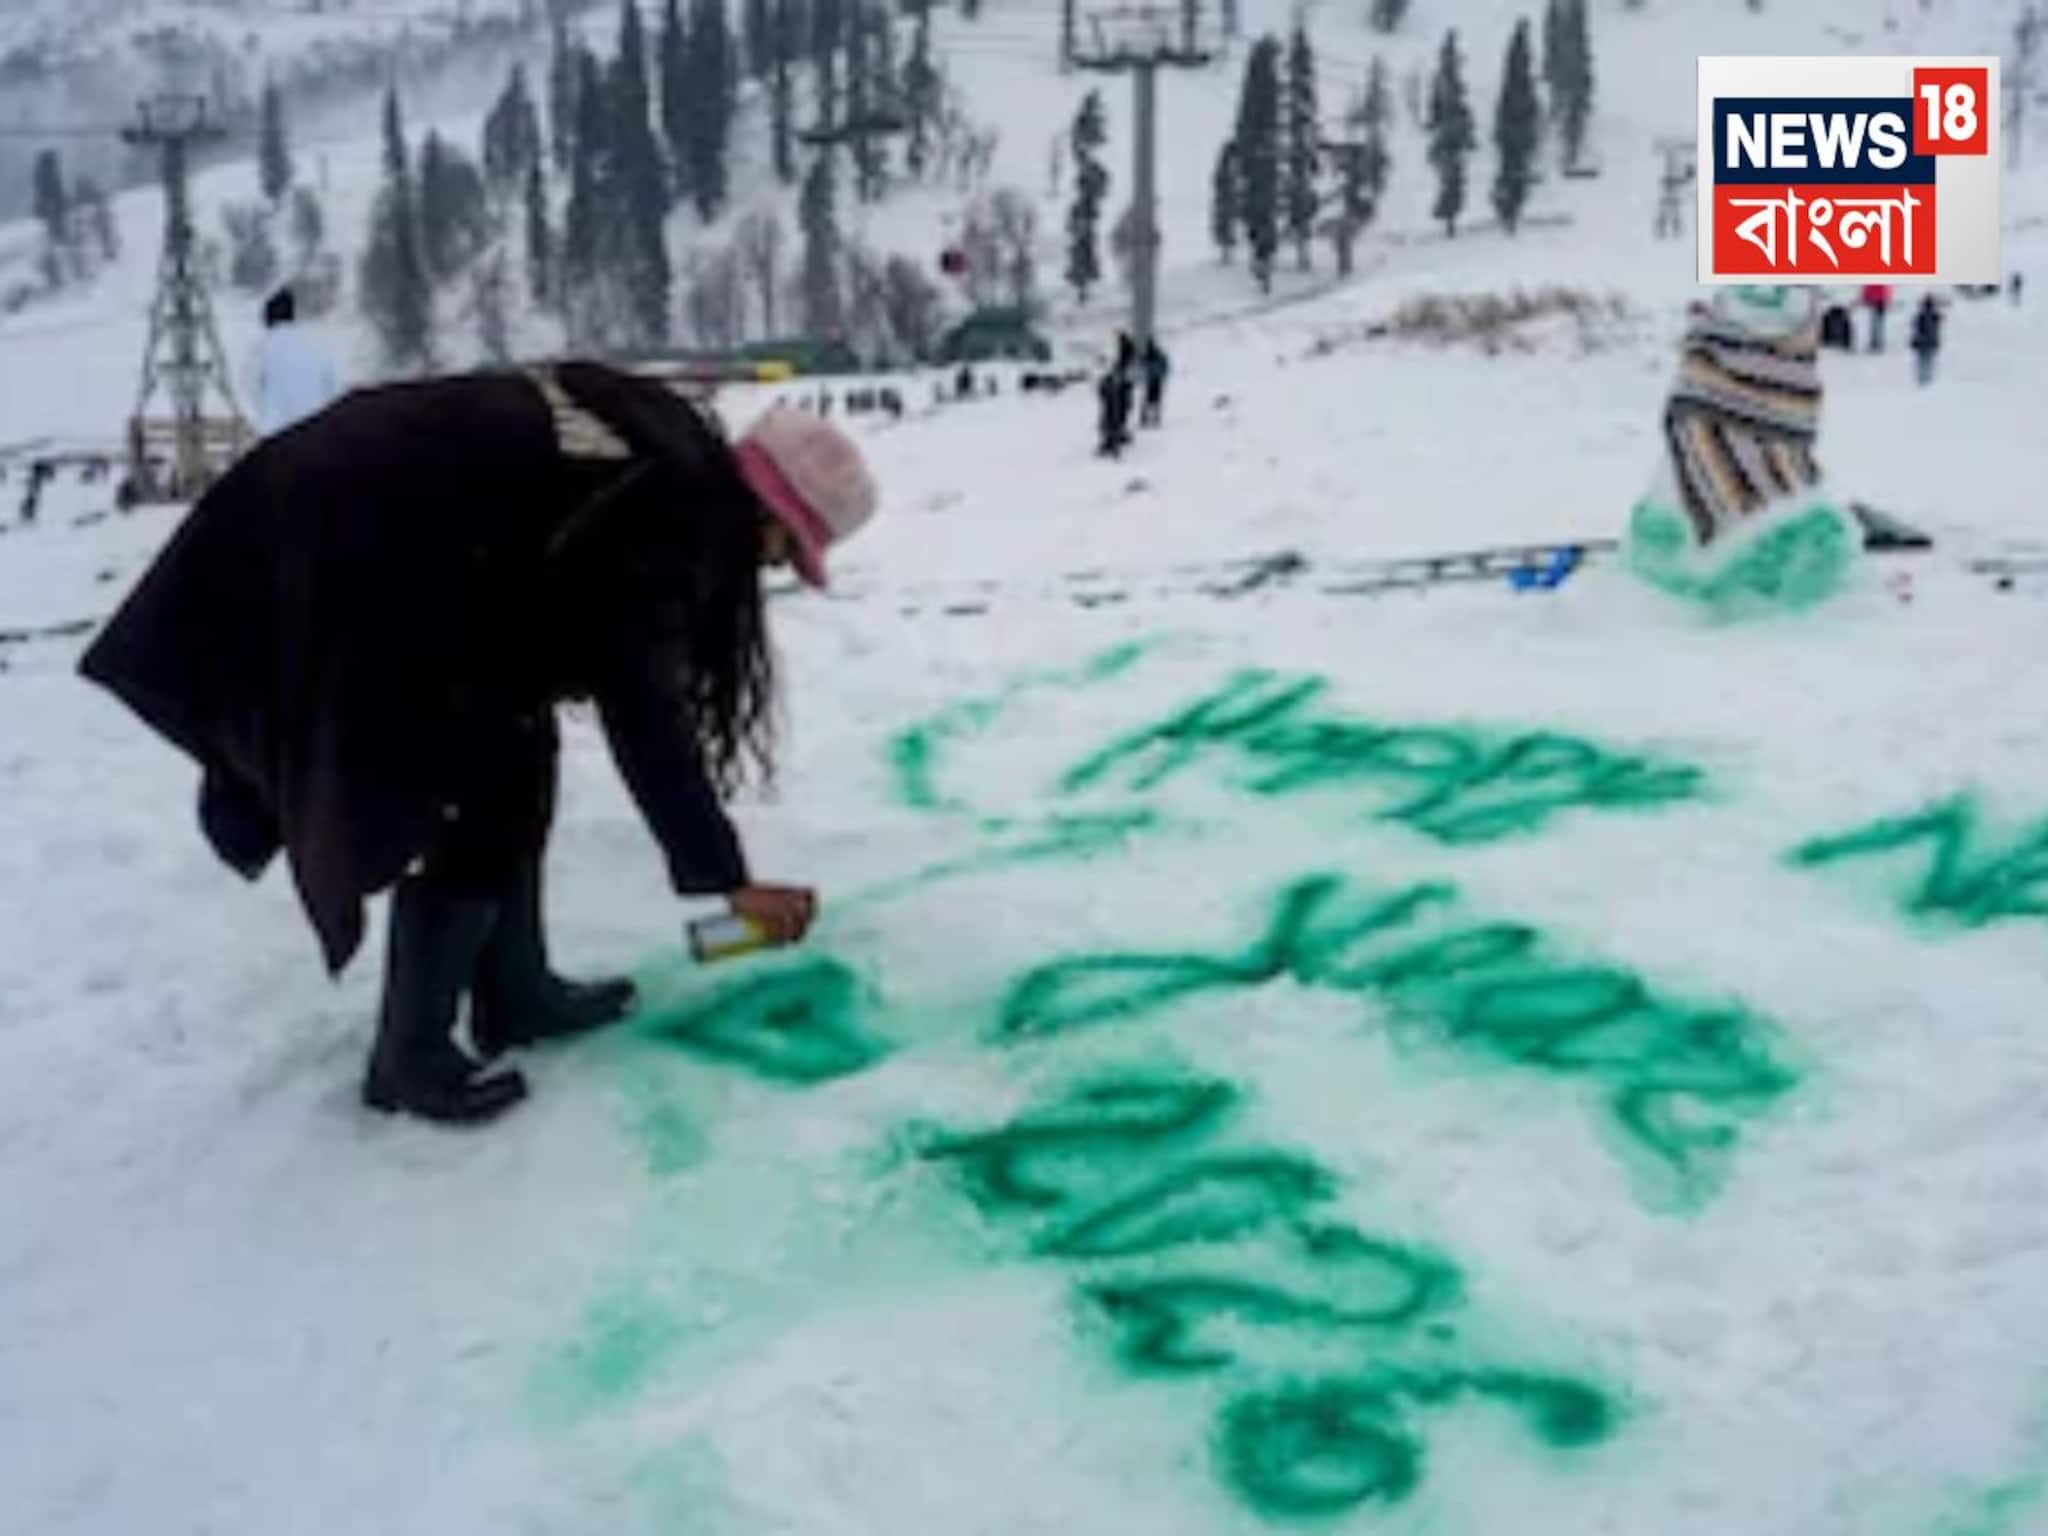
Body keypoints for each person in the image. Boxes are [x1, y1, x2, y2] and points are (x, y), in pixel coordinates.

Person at [80, 364, 879, 1126]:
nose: (773, 567)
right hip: (334, 542)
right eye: (787, 549)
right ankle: (411, 1056)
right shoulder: (675, 516)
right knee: (476, 783)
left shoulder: (673, 462)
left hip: (381, 536)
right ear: (770, 515)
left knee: (513, 745)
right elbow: (647, 716)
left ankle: (514, 993)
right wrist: (725, 880)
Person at [248, 286, 341, 437]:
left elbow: (251, 389)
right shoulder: (315, 346)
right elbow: (333, 390)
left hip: (278, 433)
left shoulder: (262, 349)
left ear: (267, 318)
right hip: (316, 432)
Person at [1910, 293, 1944, 386]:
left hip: (1923, 343)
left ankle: (1923, 379)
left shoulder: (1921, 317)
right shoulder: (1935, 317)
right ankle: (1926, 379)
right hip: (1929, 343)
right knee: (1928, 362)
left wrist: (1914, 340)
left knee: (1923, 362)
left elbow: (1916, 330)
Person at [1139, 337, 1170, 428]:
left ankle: (1146, 419)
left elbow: (1143, 364)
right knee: (1154, 400)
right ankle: (1153, 418)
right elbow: (1164, 366)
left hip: (1152, 379)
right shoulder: (1157, 354)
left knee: (1149, 399)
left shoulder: (1152, 354)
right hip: (1155, 379)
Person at [1861, 283, 1893, 352]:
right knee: (1876, 322)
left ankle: (1876, 342)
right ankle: (1876, 341)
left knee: (1876, 322)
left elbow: (1887, 289)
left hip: (1879, 301)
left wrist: (1887, 299)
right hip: (1876, 300)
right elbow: (1867, 287)